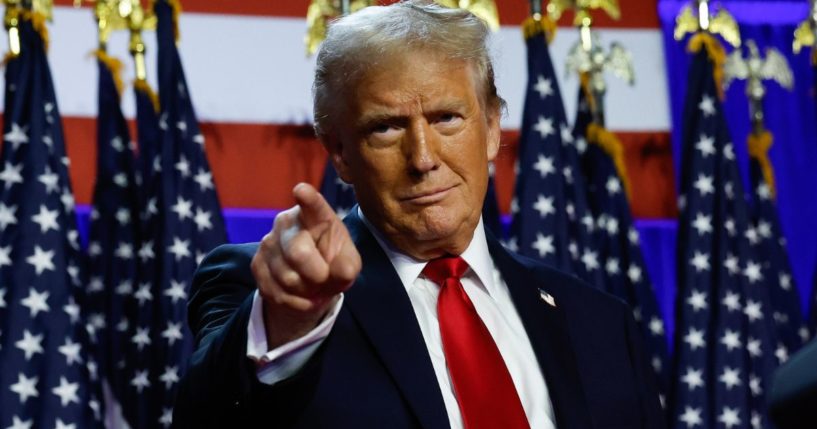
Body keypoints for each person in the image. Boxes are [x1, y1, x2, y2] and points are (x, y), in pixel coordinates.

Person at [173, 1, 665, 428]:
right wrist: (288, 321)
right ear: (340, 153)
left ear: (492, 127)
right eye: (386, 128)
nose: (423, 158)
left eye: (447, 118)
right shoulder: (267, 295)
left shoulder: (600, 325)